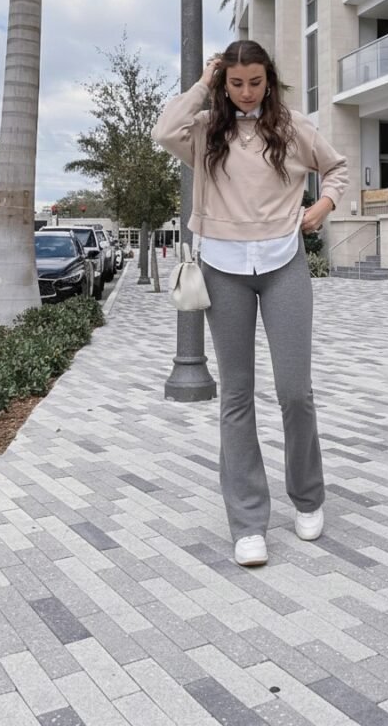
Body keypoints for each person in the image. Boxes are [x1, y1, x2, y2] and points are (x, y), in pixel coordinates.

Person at [152, 40, 348, 567]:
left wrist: (322, 207)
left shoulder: (292, 128)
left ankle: (307, 497)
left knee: (294, 391)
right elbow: (162, 129)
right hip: (222, 269)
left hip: (284, 264)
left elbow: (337, 168)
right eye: (235, 83)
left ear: (269, 79)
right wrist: (202, 80)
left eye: (255, 82)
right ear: (223, 82)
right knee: (237, 395)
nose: (245, 93)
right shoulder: (203, 133)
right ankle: (247, 521)